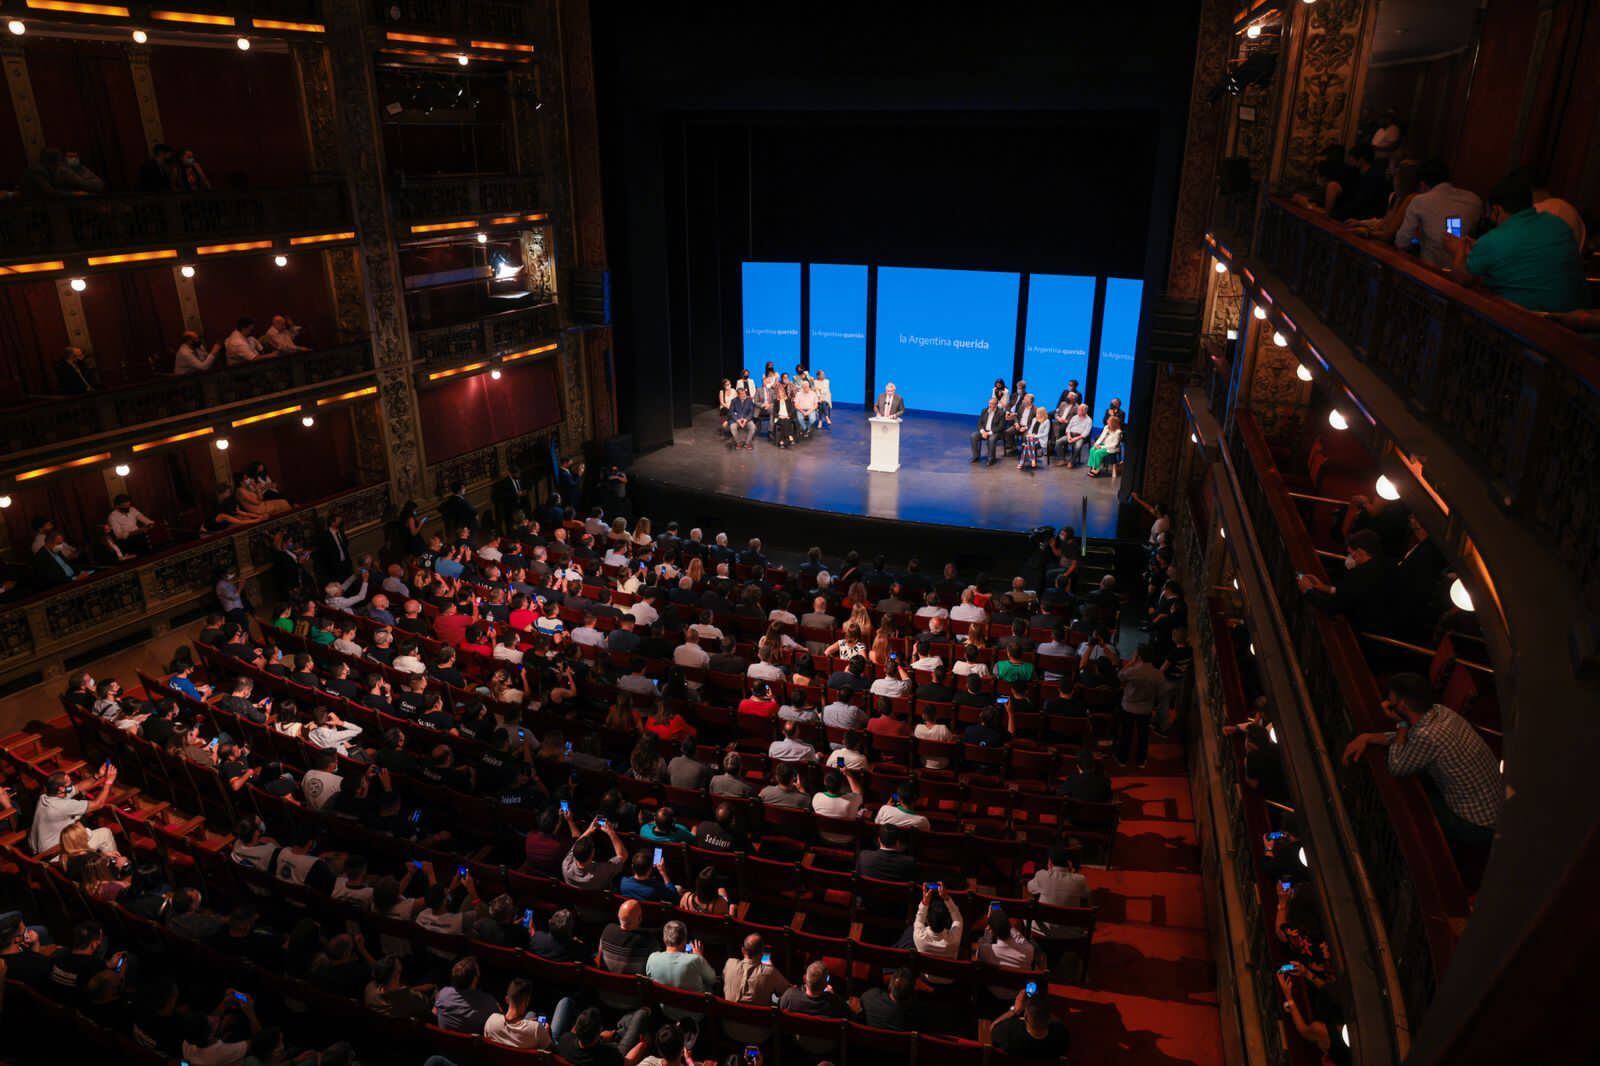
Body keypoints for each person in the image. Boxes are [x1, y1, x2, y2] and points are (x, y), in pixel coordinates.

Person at [1341, 672, 1501, 844]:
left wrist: (1401, 723)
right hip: (1498, 808)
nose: (1386, 703)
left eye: (1390, 699)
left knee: (1408, 805)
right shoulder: (1440, 712)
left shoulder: (1428, 736)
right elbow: (1411, 739)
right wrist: (1368, 737)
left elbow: (1396, 765)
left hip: (1477, 823)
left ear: (1401, 705)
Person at [1446, 169, 1587, 312]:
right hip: (1574, 319)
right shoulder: (1559, 225)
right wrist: (1480, 249)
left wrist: (1457, 249)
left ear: (1496, 210)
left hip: (1528, 324)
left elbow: (1460, 278)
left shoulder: (1494, 239)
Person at [1295, 529, 1396, 636]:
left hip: (1362, 632)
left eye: (1350, 554)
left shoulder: (1358, 575)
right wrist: (1327, 588)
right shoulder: (1387, 565)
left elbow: (1332, 608)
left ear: (1360, 552)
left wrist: (1308, 590)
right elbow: (1354, 594)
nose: (1348, 558)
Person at [1394, 157, 1485, 268]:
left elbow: (1401, 242)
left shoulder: (1420, 201)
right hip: (1464, 270)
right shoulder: (1475, 200)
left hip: (1430, 272)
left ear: (1422, 184)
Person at [1114, 643, 1164, 767]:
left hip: (1128, 707)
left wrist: (1131, 662)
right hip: (1146, 709)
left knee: (1126, 733)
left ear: (1139, 656)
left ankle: (1123, 759)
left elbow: (1120, 676)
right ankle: (1141, 760)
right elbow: (1160, 692)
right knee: (1143, 736)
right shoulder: (1157, 674)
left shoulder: (1132, 671)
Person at [989, 987, 1071, 1060]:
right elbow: (1060, 1023)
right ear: (1049, 1018)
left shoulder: (1007, 1032)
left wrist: (1015, 1011)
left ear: (1026, 1017)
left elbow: (993, 1028)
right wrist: (1044, 1010)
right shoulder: (1061, 1037)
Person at [483, 978, 554, 1050]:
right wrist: (547, 1034)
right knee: (564, 1002)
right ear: (527, 1002)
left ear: (506, 999)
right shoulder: (536, 1029)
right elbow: (551, 1053)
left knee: (531, 1014)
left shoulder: (491, 1021)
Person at [1055, 404, 1094, 468]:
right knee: (1058, 442)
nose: (1078, 411)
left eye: (1080, 410)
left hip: (1080, 437)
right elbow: (1068, 428)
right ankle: (1062, 459)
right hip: (1070, 434)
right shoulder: (1074, 417)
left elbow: (1086, 433)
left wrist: (1075, 439)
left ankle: (1072, 461)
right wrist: (1069, 436)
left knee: (1078, 446)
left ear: (1085, 411)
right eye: (1078, 410)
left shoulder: (1089, 420)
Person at [971, 398, 1004, 464]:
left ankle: (991, 459)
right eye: (989, 403)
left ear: (996, 405)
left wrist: (988, 433)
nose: (990, 405)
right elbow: (979, 423)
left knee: (991, 439)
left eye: (992, 404)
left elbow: (1001, 427)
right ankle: (976, 456)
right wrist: (983, 431)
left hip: (994, 432)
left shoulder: (1001, 413)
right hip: (984, 431)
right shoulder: (984, 411)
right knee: (973, 436)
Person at [1017, 406, 1050, 472]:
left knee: (1027, 445)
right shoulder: (1034, 419)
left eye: (1038, 413)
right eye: (1037, 413)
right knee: (1029, 440)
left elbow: (1045, 434)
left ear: (1042, 414)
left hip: (1040, 439)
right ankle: (1033, 460)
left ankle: (1023, 462)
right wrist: (1030, 434)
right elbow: (1030, 429)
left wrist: (1034, 436)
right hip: (1032, 438)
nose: (1036, 414)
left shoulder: (1047, 421)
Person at [728, 385, 757, 450]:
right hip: (737, 419)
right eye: (742, 394)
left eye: (744, 393)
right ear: (738, 395)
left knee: (753, 427)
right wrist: (738, 420)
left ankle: (747, 443)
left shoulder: (749, 400)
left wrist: (745, 420)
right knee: (732, 427)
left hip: (746, 419)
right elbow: (731, 412)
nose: (744, 395)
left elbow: (751, 412)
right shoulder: (734, 401)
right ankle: (738, 443)